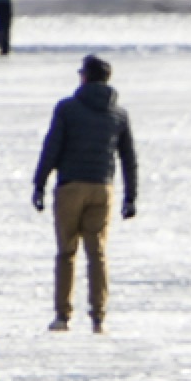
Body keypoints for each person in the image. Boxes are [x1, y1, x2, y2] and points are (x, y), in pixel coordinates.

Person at [31, 55, 139, 333]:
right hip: (102, 188)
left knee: (67, 252)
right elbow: (128, 157)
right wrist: (130, 197)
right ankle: (98, 318)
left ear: (85, 77)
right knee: (97, 254)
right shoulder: (118, 114)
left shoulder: (67, 109)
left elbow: (52, 147)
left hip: (70, 187)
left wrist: (39, 183)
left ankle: (63, 316)